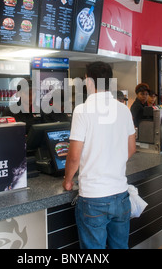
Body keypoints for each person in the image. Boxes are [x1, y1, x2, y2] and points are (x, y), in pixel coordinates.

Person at [62, 61, 136, 249]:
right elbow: (131, 148)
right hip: (120, 194)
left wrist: (68, 180)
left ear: (89, 80)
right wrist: (112, 161)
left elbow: (73, 156)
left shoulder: (82, 111)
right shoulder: (123, 109)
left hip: (94, 198)